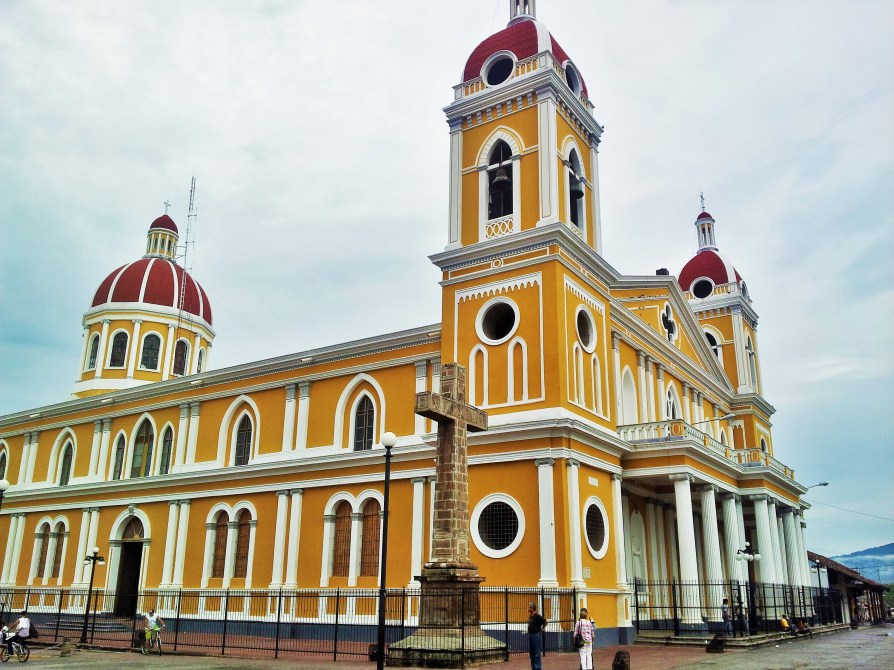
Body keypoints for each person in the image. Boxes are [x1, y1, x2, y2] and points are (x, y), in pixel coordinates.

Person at [527, 602, 546, 670]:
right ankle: (533, 667)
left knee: (537, 652)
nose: (528, 608)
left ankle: (537, 667)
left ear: (532, 608)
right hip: (531, 635)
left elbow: (545, 621)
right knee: (532, 652)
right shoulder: (531, 616)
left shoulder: (537, 616)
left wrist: (542, 628)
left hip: (535, 635)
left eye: (529, 607)